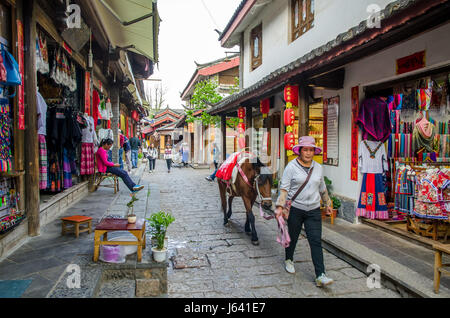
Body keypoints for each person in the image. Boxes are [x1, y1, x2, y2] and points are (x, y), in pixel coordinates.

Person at [275, 136, 334, 287]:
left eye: (311, 150)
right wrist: (280, 207)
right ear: (299, 151)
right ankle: (289, 259)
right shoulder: (291, 167)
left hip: (313, 210)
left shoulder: (318, 167)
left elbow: (322, 188)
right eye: (305, 150)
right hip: (296, 209)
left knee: (315, 241)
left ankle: (320, 275)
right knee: (293, 238)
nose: (308, 153)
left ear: (314, 151)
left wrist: (328, 203)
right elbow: (284, 189)